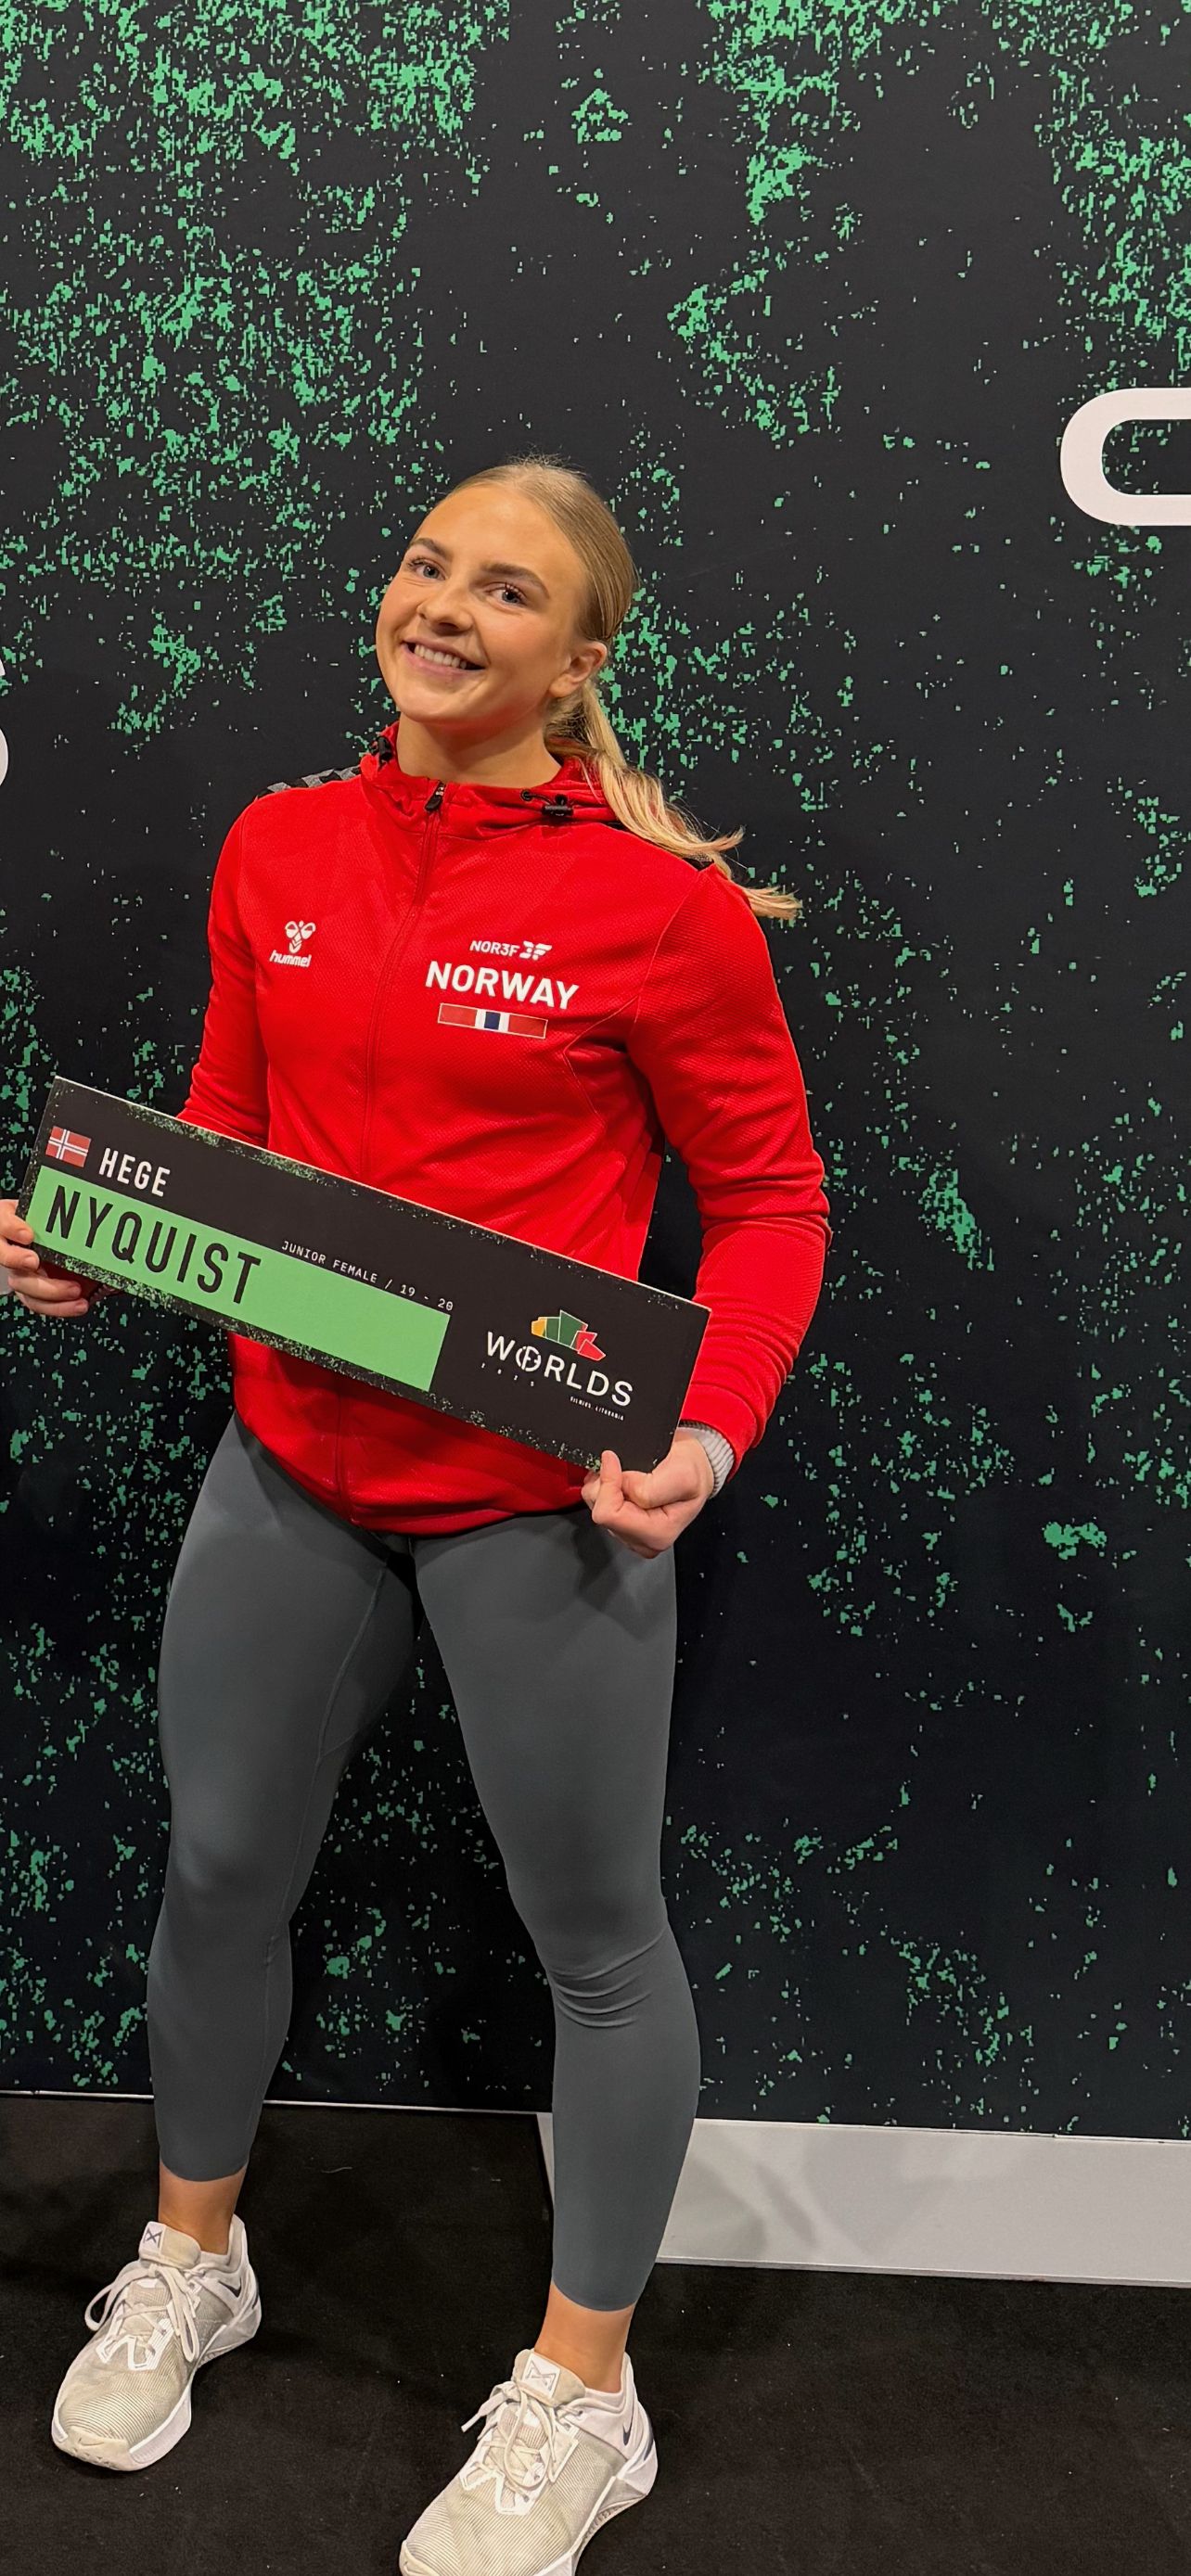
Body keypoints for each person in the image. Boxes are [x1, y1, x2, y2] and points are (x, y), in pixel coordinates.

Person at [3, 451, 831, 2572]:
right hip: (289, 1472)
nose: (449, 606)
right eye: (428, 564)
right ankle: (196, 2257)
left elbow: (769, 1200)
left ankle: (585, 2394)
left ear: (583, 655)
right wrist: (108, 1241)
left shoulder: (658, 908)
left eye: (510, 589)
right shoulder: (277, 844)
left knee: (599, 1943)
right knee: (218, 1870)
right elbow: (230, 1137)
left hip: (536, 1511)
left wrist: (709, 1431)